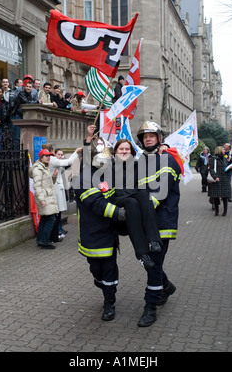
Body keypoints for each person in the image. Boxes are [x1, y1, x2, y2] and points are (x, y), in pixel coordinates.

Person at [73, 136, 126, 321]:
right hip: (91, 233)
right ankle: (103, 285)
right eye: (101, 156)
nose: (105, 160)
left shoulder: (110, 175)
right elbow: (97, 204)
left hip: (109, 233)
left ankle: (109, 302)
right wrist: (121, 213)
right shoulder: (81, 180)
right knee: (96, 268)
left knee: (109, 268)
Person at [135, 121, 182, 327]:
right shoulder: (140, 161)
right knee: (147, 262)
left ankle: (150, 308)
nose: (148, 139)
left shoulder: (167, 159)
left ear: (159, 138)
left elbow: (160, 193)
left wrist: (138, 211)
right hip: (145, 223)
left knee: (153, 264)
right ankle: (166, 286)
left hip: (162, 222)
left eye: (152, 136)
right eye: (145, 137)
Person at [113, 138, 162, 270]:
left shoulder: (137, 165)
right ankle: (142, 254)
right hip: (120, 200)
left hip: (135, 197)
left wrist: (163, 149)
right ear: (115, 152)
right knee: (131, 202)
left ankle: (153, 240)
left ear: (132, 152)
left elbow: (151, 156)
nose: (124, 151)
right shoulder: (109, 167)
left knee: (143, 194)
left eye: (127, 149)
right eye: (121, 149)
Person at [42, 143, 82, 242]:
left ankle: (55, 235)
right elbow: (68, 161)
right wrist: (76, 152)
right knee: (56, 213)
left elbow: (64, 166)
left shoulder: (50, 159)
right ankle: (53, 236)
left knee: (57, 213)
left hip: (55, 187)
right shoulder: (52, 159)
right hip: (55, 188)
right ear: (52, 151)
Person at [29, 148, 59, 249]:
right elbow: (37, 186)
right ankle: (45, 241)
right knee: (51, 219)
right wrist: (42, 199)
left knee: (45, 218)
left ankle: (41, 240)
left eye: (49, 156)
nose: (48, 157)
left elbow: (49, 184)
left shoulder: (44, 167)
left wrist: (53, 177)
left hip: (47, 197)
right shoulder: (38, 169)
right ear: (41, 158)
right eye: (46, 156)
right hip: (44, 197)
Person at [208, 146, 231, 216]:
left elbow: (226, 168)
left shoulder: (225, 158)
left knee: (225, 196)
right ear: (220, 150)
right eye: (223, 149)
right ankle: (217, 211)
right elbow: (211, 169)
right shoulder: (213, 158)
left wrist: (230, 167)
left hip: (225, 179)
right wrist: (215, 177)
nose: (225, 150)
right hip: (217, 179)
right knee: (216, 196)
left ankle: (225, 211)